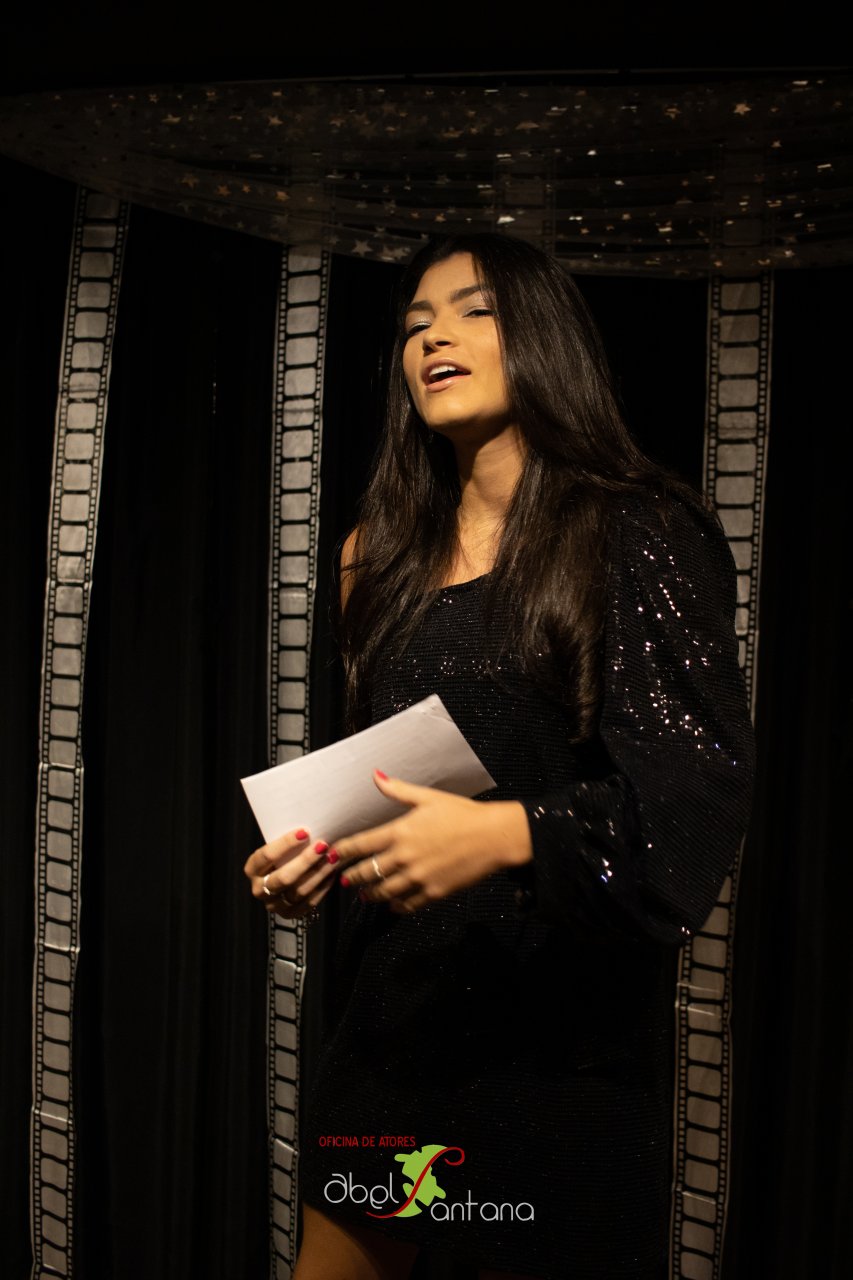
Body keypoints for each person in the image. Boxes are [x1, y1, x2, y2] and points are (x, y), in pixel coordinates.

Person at [244, 233, 756, 1280]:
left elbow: (690, 801)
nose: (434, 336)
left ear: (543, 338)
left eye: (473, 310)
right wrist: (316, 856)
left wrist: (510, 834)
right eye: (415, 323)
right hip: (393, 1031)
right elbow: (384, 786)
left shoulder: (636, 530)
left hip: (557, 1051)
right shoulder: (372, 557)